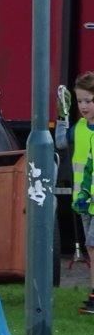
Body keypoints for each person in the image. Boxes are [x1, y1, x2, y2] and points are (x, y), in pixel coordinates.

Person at [69, 72, 94, 313]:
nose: (84, 106)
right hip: (83, 201)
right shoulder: (79, 128)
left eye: (89, 100)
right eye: (80, 101)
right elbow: (62, 142)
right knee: (90, 248)